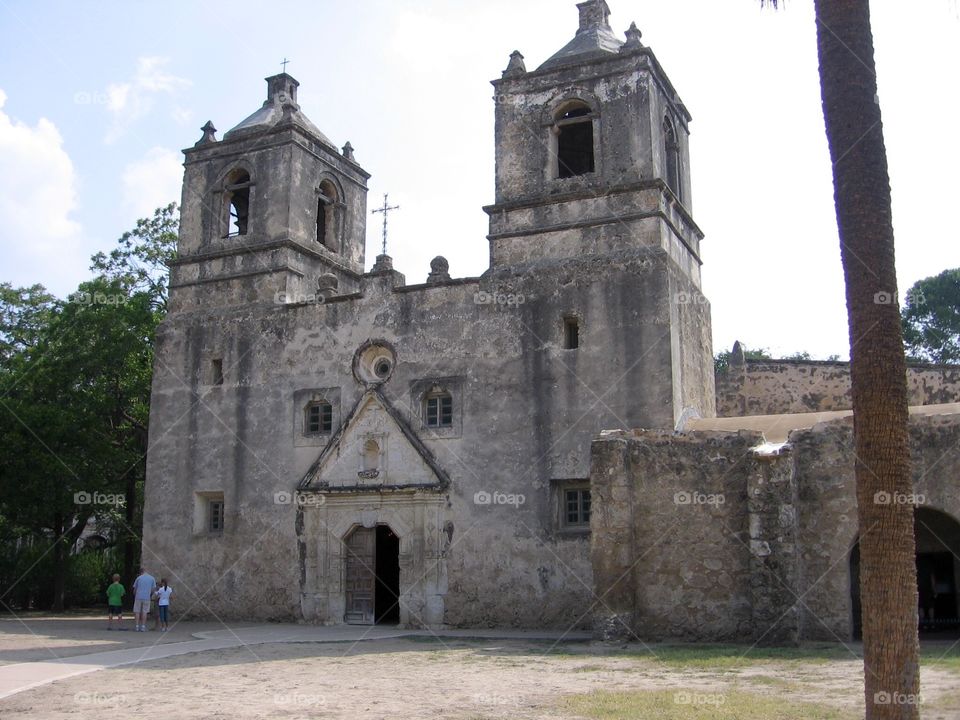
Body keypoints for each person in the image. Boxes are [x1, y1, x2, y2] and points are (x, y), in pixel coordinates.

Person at [130, 567, 156, 632]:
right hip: (146, 597)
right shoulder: (152, 578)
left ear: (140, 572)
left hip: (138, 596)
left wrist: (135, 594)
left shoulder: (138, 578)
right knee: (145, 612)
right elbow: (153, 589)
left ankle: (136, 626)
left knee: (137, 611)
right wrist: (150, 594)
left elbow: (135, 589)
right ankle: (143, 626)